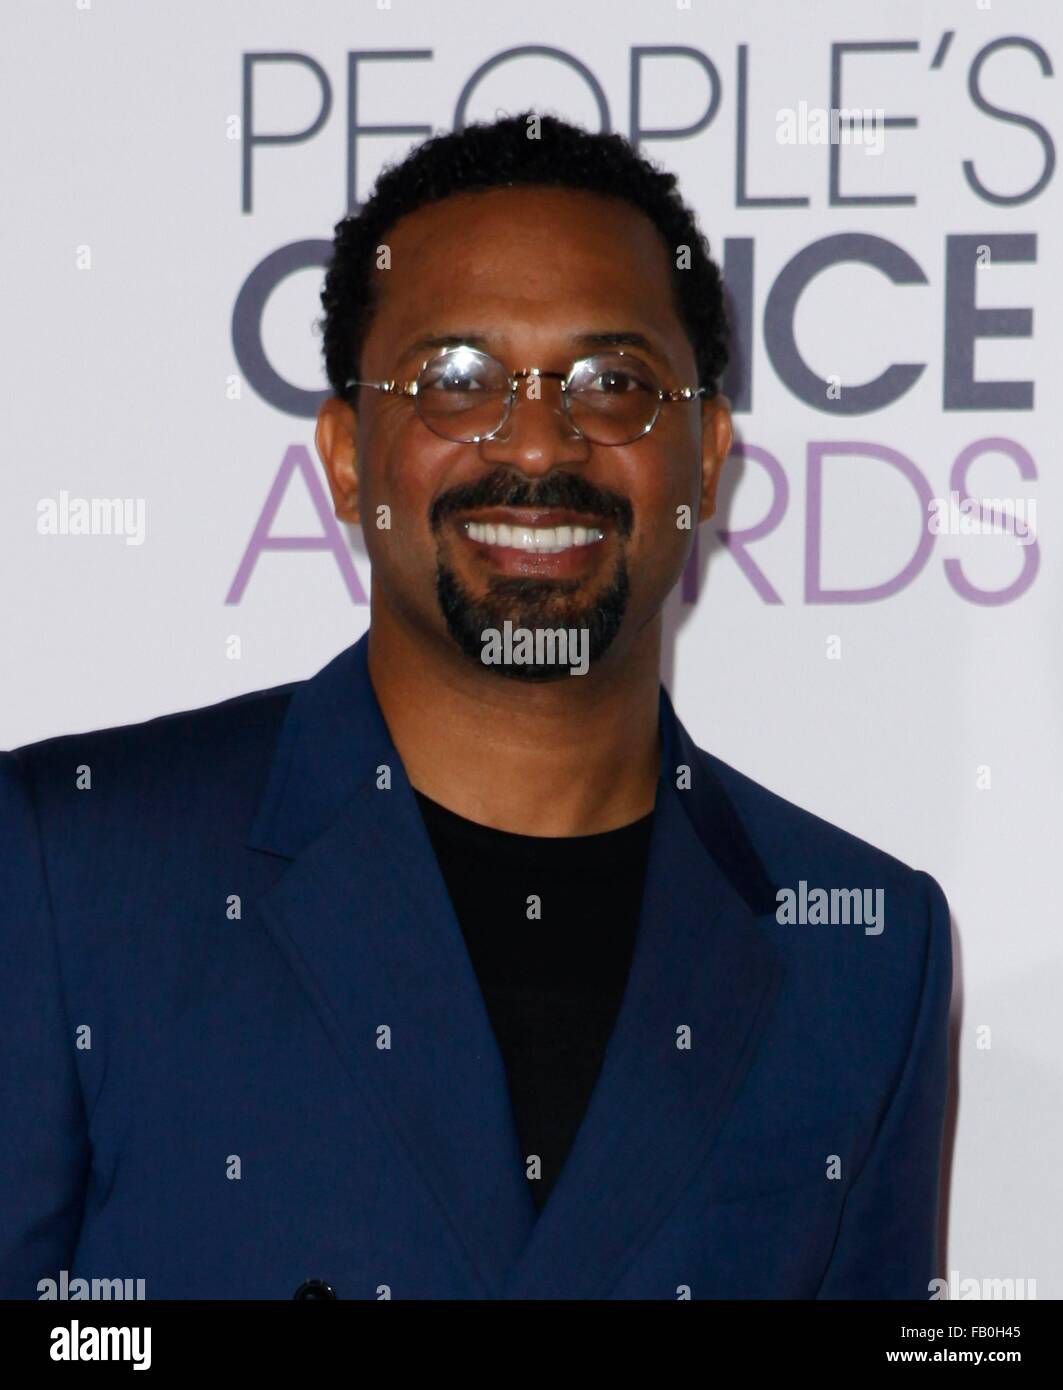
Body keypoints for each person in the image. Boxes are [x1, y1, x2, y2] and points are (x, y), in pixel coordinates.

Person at [0, 112, 951, 1300]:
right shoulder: (67, 869)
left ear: (709, 457)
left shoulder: (863, 950)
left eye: (615, 383)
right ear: (346, 456)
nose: (540, 444)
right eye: (457, 380)